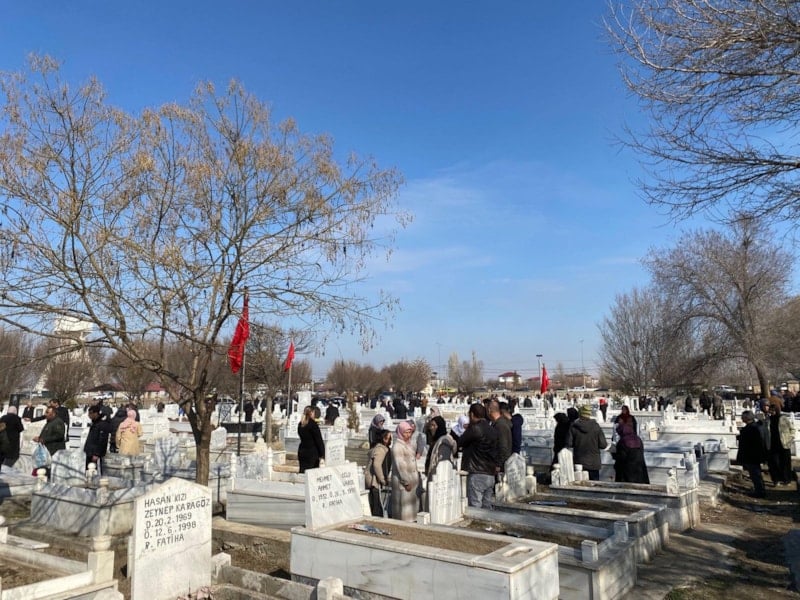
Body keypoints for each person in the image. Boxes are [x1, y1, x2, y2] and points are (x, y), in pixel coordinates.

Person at [458, 403, 499, 509]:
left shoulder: (475, 429)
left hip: (477, 471)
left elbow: (460, 442)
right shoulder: (492, 429)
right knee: (487, 505)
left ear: (472, 414)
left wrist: (469, 428)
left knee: (475, 506)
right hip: (490, 472)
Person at [568, 404, 607, 481]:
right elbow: (603, 445)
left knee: (580, 484)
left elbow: (569, 443)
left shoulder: (574, 427)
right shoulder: (596, 427)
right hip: (594, 462)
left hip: (579, 462)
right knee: (594, 484)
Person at [391, 420, 420, 521]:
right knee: (403, 510)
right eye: (406, 432)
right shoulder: (397, 447)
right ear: (400, 432)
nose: (408, 435)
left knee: (411, 509)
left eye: (410, 432)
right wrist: (406, 482)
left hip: (412, 481)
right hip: (403, 482)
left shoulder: (408, 444)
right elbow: (401, 466)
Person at [737, 410, 768, 498]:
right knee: (755, 473)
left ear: (747, 418)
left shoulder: (751, 429)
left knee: (755, 474)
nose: (741, 418)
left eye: (743, 417)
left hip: (752, 455)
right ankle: (759, 489)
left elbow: (751, 442)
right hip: (754, 455)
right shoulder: (756, 427)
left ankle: (760, 491)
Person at [766, 396, 795, 486]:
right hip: (773, 444)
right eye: (770, 411)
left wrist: (790, 439)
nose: (771, 412)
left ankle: (787, 479)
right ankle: (776, 480)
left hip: (784, 443)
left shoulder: (783, 418)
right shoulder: (768, 420)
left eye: (773, 410)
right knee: (775, 463)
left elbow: (792, 429)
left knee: (785, 463)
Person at [365, 429, 392, 517]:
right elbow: (377, 465)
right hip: (375, 481)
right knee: (377, 507)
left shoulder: (377, 447)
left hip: (372, 480)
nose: (390, 440)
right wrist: (382, 479)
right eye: (387, 438)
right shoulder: (380, 449)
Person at [425, 416, 457, 481]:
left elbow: (443, 463)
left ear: (440, 426)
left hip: (439, 479)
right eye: (431, 425)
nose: (431, 428)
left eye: (434, 425)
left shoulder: (444, 442)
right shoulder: (436, 440)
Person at [297, 406, 325, 473]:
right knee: (312, 474)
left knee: (303, 472)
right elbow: (318, 440)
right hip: (312, 453)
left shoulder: (300, 424)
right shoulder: (313, 424)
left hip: (302, 451)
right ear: (312, 413)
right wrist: (322, 454)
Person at [84, 404, 112, 471]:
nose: (89, 415)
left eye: (91, 413)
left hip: (95, 453)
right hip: (90, 451)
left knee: (94, 471)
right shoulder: (94, 423)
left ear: (96, 413)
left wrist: (97, 454)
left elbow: (102, 440)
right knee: (89, 471)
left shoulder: (102, 424)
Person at [488, 399, 512, 471]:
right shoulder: (498, 423)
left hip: (501, 465)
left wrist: (499, 464)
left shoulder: (500, 425)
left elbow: (503, 446)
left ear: (489, 410)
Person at [0, 406, 24, 470]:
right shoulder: (17, 418)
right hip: (13, 442)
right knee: (10, 460)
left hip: (3, 441)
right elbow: (21, 429)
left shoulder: (3, 417)